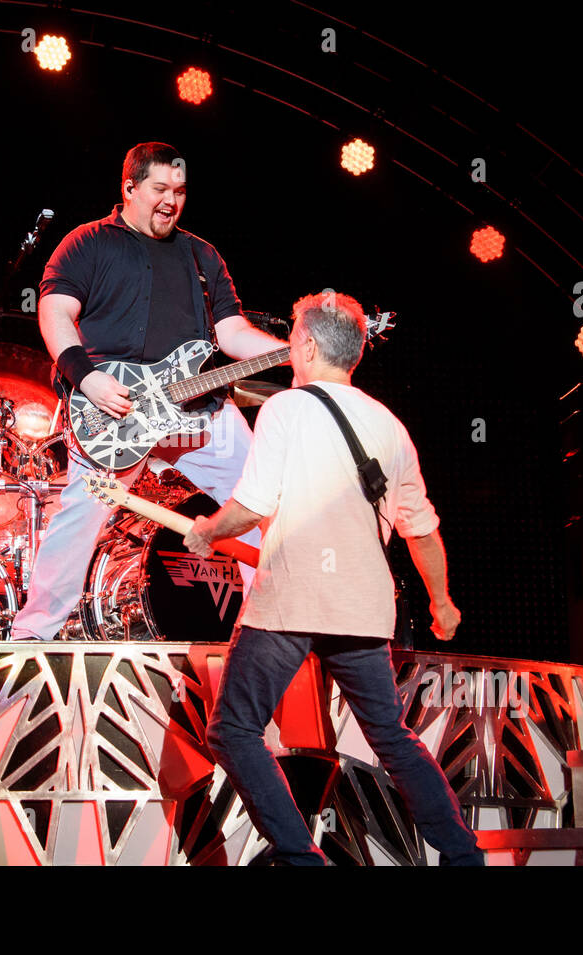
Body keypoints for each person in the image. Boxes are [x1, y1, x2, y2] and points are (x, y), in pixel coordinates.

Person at [183, 290, 484, 866]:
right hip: (362, 606)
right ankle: (463, 856)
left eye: (293, 334)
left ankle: (301, 857)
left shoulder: (285, 409)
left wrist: (207, 532)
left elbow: (251, 503)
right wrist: (442, 602)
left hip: (291, 600)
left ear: (310, 346)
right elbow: (420, 530)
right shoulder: (389, 424)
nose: (289, 343)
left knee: (234, 731)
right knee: (393, 738)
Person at [9, 142, 287, 641]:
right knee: (81, 516)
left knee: (267, 505)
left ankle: (264, 637)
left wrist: (291, 350)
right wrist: (85, 376)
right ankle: (30, 639)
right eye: (159, 189)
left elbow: (230, 332)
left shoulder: (202, 255)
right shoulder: (87, 243)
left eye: (179, 191)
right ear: (129, 187)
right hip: (115, 407)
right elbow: (54, 313)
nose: (170, 201)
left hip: (197, 410)